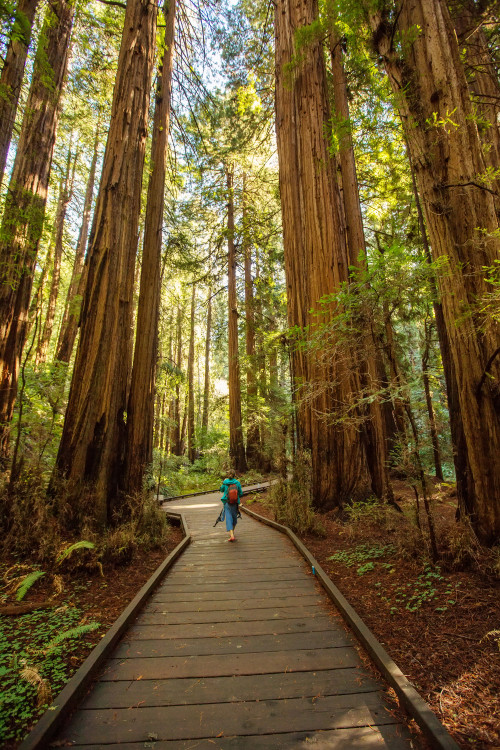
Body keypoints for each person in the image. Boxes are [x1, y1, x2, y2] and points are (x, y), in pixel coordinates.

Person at [220, 470, 242, 542]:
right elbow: (241, 493)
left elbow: (221, 490)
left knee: (229, 518)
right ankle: (232, 533)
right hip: (235, 503)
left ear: (228, 475)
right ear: (234, 475)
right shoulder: (237, 483)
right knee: (234, 518)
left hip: (227, 502)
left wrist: (223, 482)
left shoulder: (225, 482)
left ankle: (231, 535)